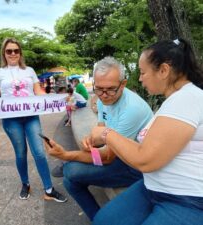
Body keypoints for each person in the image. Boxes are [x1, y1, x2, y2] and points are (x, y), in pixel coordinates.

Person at [69, 39, 203, 224]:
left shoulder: (185, 99)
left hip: (185, 198)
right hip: (153, 186)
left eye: (142, 72)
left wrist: (106, 134)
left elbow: (144, 159)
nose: (140, 79)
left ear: (163, 70)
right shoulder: (177, 99)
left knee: (71, 174)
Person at [44, 56, 153, 220]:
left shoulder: (132, 109)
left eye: (110, 89)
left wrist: (66, 155)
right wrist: (91, 140)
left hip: (136, 166)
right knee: (69, 181)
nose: (104, 95)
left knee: (70, 171)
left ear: (123, 84)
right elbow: (101, 128)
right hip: (118, 156)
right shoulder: (104, 98)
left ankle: (67, 165)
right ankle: (97, 218)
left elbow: (108, 157)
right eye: (99, 88)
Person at [0, 37, 67, 202]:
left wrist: (58, 100)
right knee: (21, 153)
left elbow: (39, 93)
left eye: (16, 51)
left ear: (20, 53)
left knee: (39, 152)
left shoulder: (29, 71)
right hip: (11, 120)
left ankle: (49, 189)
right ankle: (25, 183)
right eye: (9, 51)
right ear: (4, 52)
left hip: (31, 117)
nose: (13, 54)